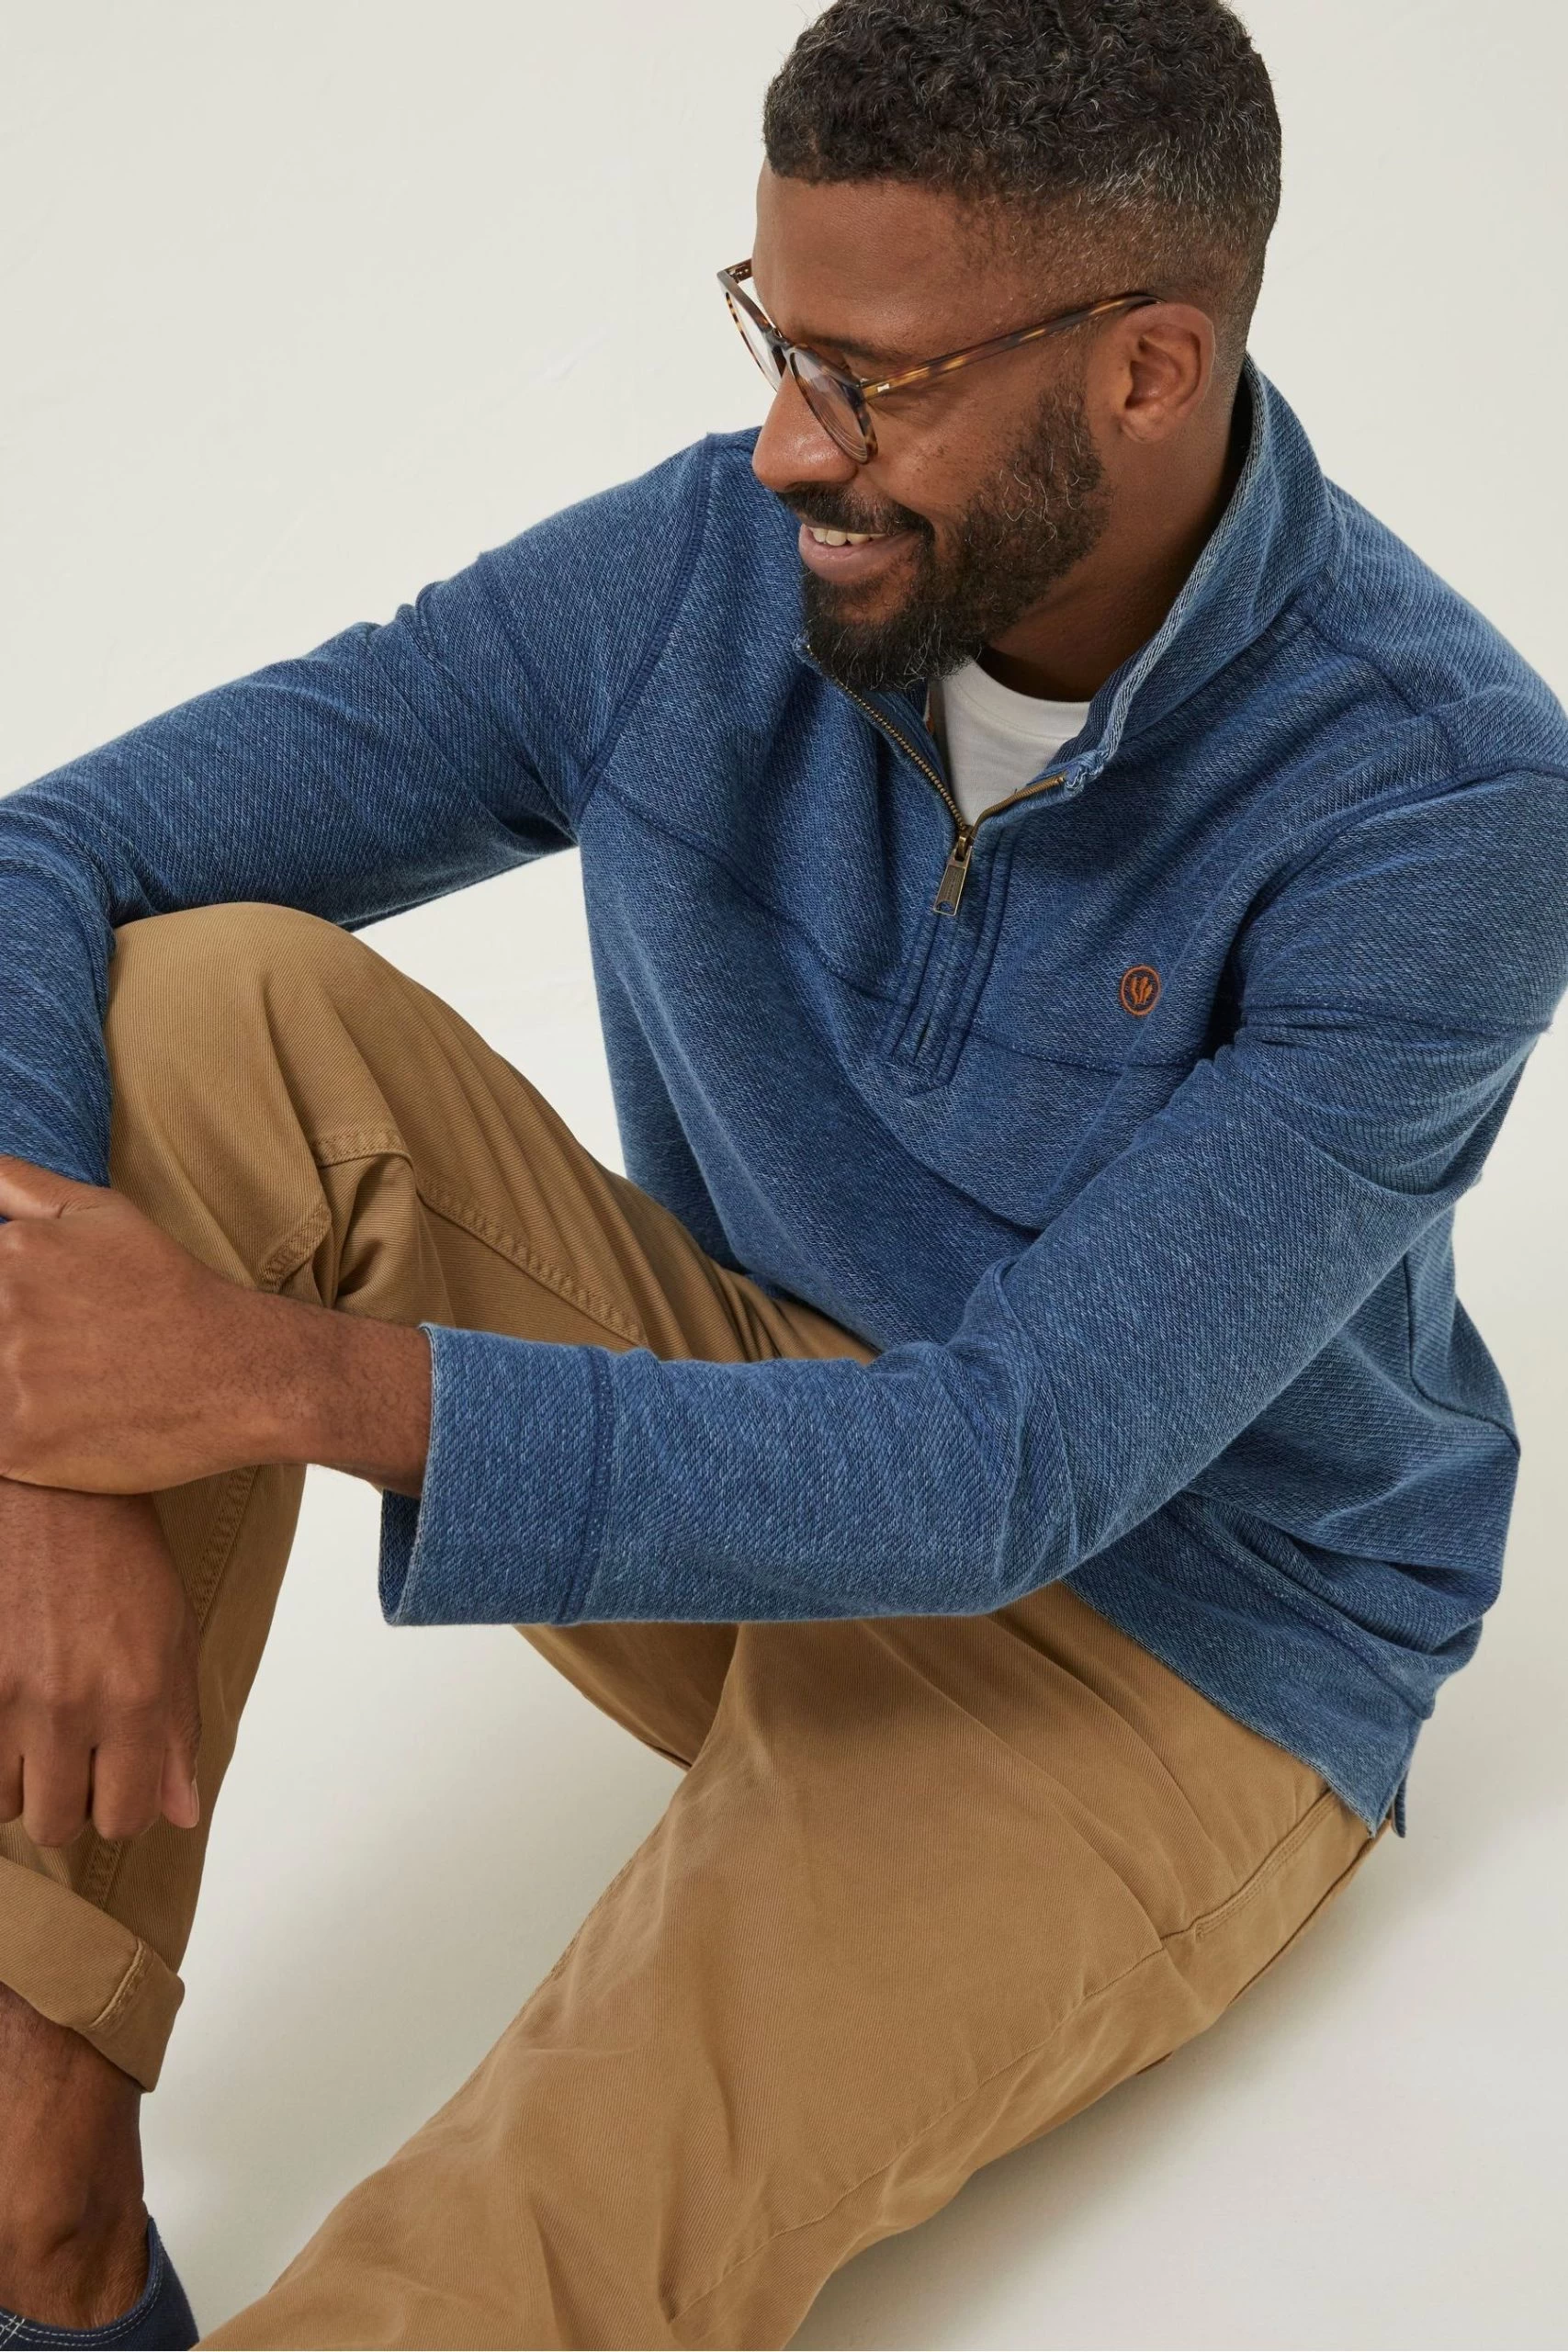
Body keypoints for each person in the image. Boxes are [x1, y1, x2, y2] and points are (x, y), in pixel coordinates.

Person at [1, 0, 1564, 2344]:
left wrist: (250, 1379)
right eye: (775, 337)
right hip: (748, 1437)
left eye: (875, 379)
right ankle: (32, 2177)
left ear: (1150, 366)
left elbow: (1002, 1472)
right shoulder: (704, 572)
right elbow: (54, 851)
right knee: (199, 1006)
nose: (785, 443)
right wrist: (52, 1444)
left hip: (1155, 1643)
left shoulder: (1444, 807)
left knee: (511, 2244)